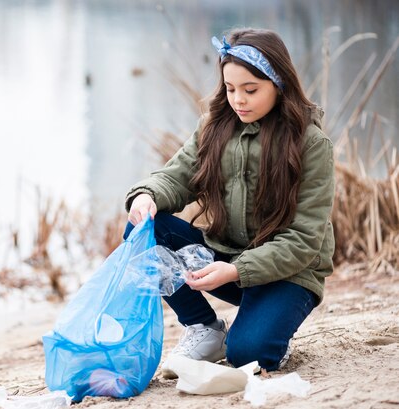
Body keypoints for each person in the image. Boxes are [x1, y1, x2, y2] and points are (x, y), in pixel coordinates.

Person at [123, 28, 335, 375]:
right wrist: (147, 195)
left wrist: (237, 270)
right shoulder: (214, 127)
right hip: (228, 258)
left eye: (251, 90)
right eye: (231, 88)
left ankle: (262, 329)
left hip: (291, 273)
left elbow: (304, 240)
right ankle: (204, 328)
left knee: (248, 355)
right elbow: (176, 176)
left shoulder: (311, 144)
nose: (239, 100)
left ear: (279, 83)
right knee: (144, 227)